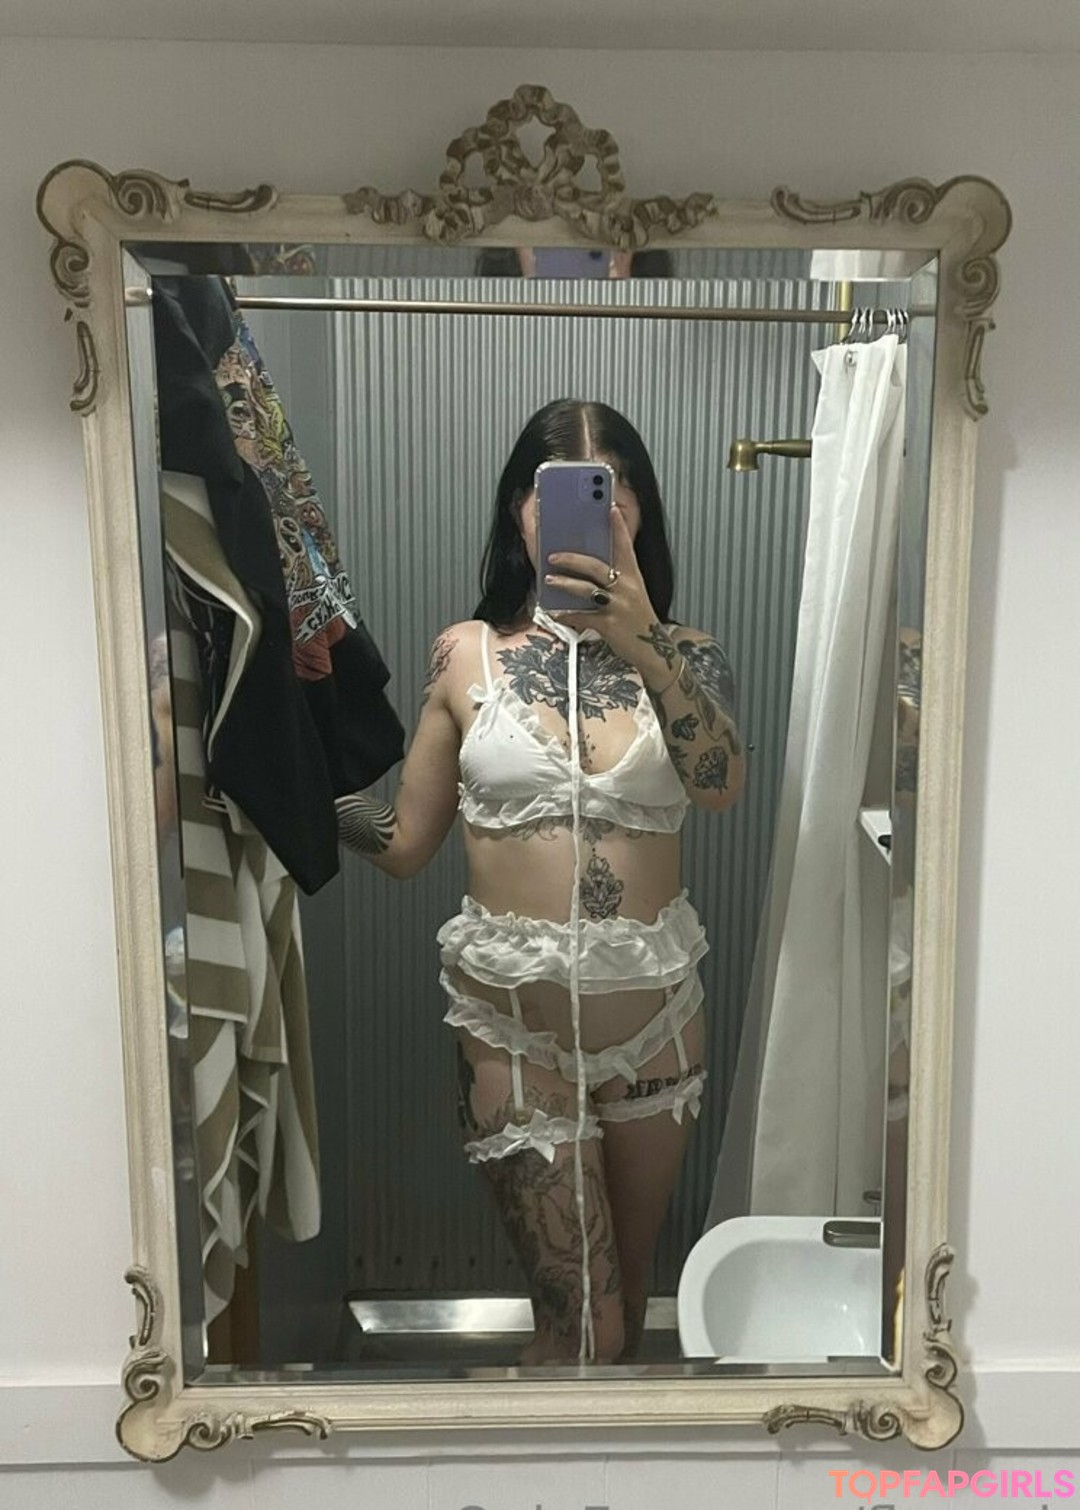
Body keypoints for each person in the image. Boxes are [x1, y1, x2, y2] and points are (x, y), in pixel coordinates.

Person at [337, 399, 744, 1364]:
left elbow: (721, 786)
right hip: (513, 1033)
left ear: (639, 512)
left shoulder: (688, 655)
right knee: (585, 1325)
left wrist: (643, 637)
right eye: (556, 492)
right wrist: (299, 793)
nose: (599, 512)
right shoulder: (465, 654)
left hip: (658, 1031)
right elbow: (405, 843)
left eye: (616, 489)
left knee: (624, 1306)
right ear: (519, 512)